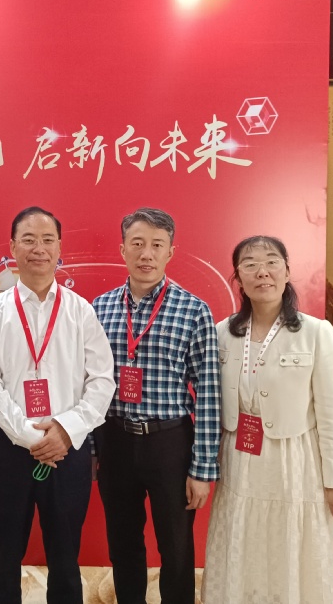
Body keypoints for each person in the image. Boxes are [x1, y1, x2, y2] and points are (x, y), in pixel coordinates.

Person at [0, 206, 114, 604]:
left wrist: (65, 430)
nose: (39, 248)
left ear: (59, 248)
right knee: (4, 555)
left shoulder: (81, 310)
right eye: (29, 240)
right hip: (10, 449)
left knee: (66, 557)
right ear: (12, 247)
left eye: (47, 240)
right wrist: (29, 436)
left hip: (68, 449)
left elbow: (102, 380)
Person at [201, 235, 333, 604]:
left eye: (271, 262)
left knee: (291, 547)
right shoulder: (222, 333)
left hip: (295, 464)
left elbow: (332, 415)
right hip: (239, 460)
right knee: (243, 542)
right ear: (238, 277)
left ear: (287, 271)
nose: (262, 272)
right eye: (250, 264)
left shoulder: (316, 333)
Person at [91, 207, 220, 604]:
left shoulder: (194, 310)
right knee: (122, 540)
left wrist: (202, 469)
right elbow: (87, 385)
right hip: (114, 438)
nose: (146, 254)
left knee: (176, 545)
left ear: (170, 252)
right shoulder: (98, 308)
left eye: (157, 245)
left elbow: (209, 393)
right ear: (123, 250)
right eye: (137, 243)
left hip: (169, 443)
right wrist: (92, 449)